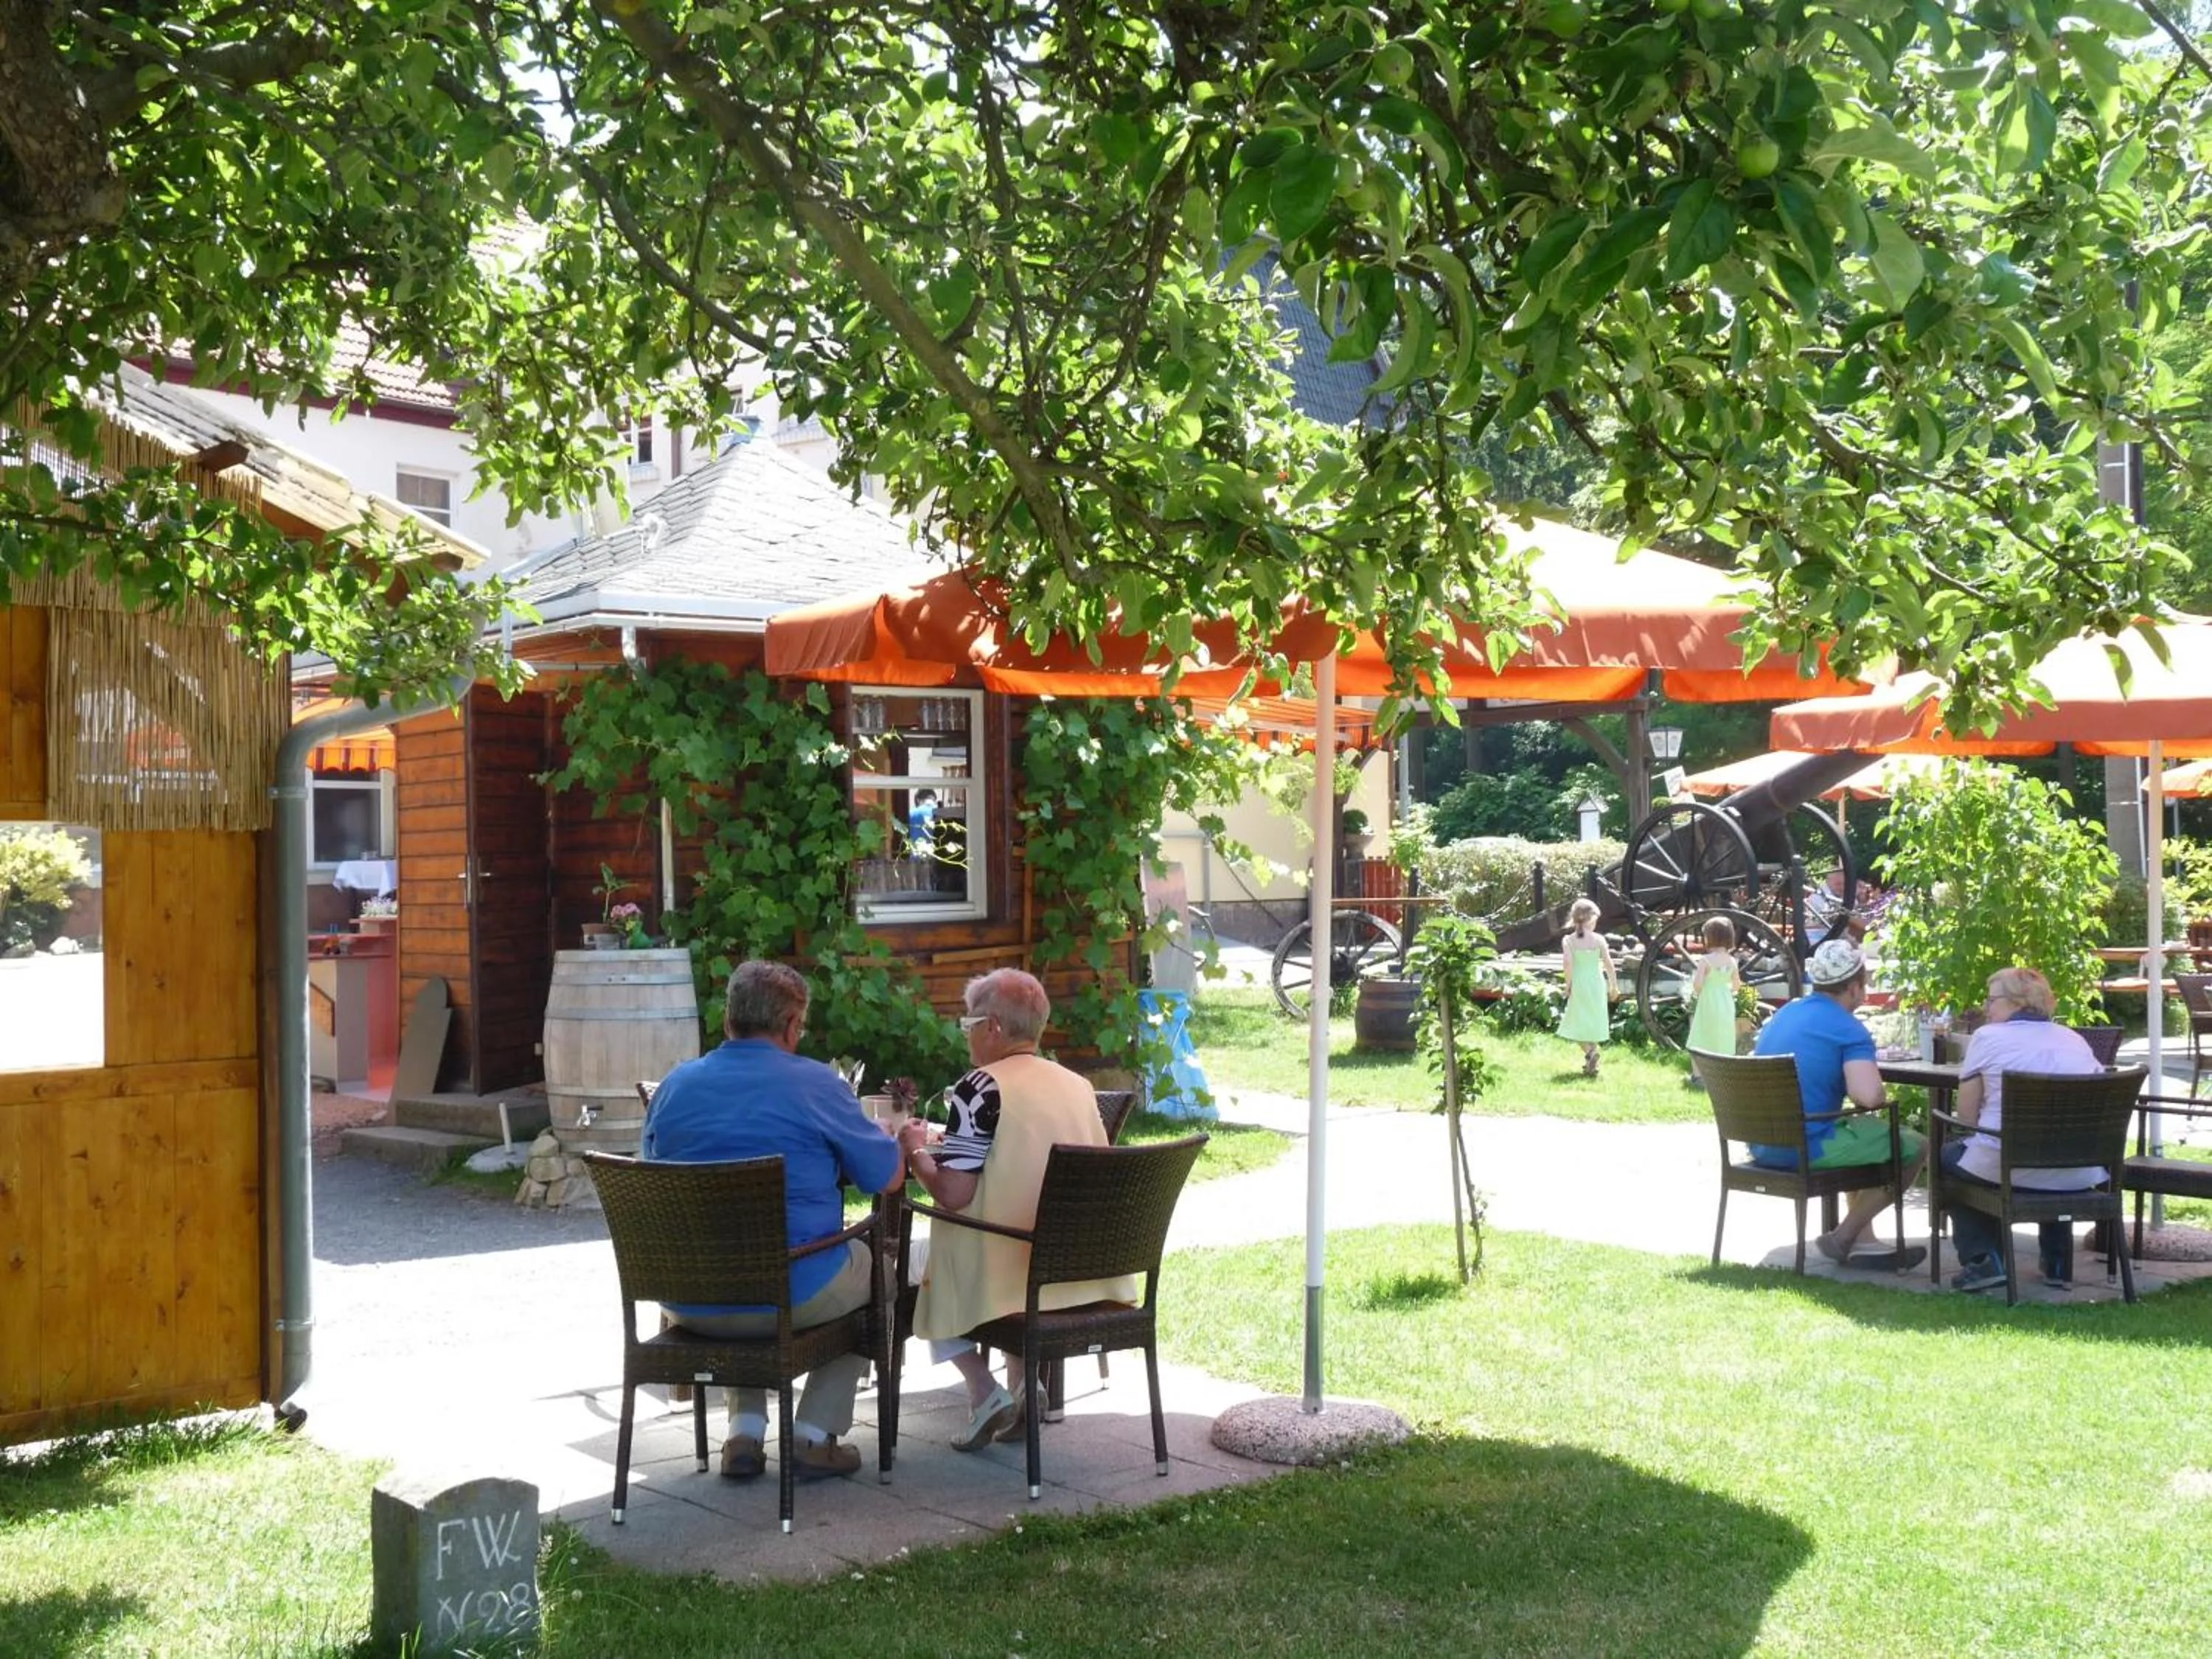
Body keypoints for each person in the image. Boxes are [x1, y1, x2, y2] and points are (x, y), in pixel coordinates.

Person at [639, 960, 905, 1481]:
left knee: (739, 1251)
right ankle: (812, 1434)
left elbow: (652, 1183)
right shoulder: (814, 1084)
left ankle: (746, 1432)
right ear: (790, 1025)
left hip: (686, 1298)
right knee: (879, 1273)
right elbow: (886, 1177)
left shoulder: (673, 1088)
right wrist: (904, 1143)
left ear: (728, 1020)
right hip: (790, 1294)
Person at [901, 968, 1138, 1451]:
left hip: (1009, 1273)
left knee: (916, 1264)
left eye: (969, 1025)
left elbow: (952, 1194)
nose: (966, 1036)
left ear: (991, 1028)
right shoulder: (1076, 1085)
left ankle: (983, 1390)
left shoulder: (979, 1087)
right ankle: (1025, 1386)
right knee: (1003, 1234)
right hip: (1080, 1269)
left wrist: (915, 1152)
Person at [1750, 936, 1928, 1269]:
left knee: (1860, 1132)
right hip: (1806, 1147)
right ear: (1855, 988)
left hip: (1763, 1142)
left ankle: (1865, 1241)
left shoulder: (1787, 1012)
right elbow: (1869, 1097)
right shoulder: (1848, 1029)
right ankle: (1843, 1237)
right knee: (1914, 1146)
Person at [1944, 967, 2107, 1293]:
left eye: (1991, 1001)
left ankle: (1983, 1260)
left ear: (2015, 1002)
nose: (1986, 1009)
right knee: (2048, 1145)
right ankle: (2057, 1262)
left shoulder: (1988, 1037)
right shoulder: (2074, 1039)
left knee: (1950, 1158)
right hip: (2080, 1170)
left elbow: (1966, 1118)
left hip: (2008, 1166)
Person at [1556, 897, 1617, 1078]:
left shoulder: (1569, 940)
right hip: (1597, 983)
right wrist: (1613, 985)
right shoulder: (1599, 939)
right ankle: (1593, 1063)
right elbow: (1608, 963)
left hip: (1580, 983)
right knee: (1591, 1021)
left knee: (1575, 1022)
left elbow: (1567, 964)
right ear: (1591, 919)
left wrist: (1569, 985)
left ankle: (1590, 1053)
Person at [1686, 914, 1740, 1086]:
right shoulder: (1732, 961)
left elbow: (1698, 985)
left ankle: (1698, 1077)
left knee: (1700, 1036)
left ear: (1709, 938)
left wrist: (1698, 991)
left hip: (1708, 1002)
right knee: (1723, 1036)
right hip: (1725, 1002)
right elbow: (1737, 985)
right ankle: (1723, 1075)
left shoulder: (1706, 961)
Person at [907, 788, 939, 858]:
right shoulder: (939, 813)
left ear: (918, 800)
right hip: (934, 857)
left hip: (914, 858)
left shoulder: (910, 813)